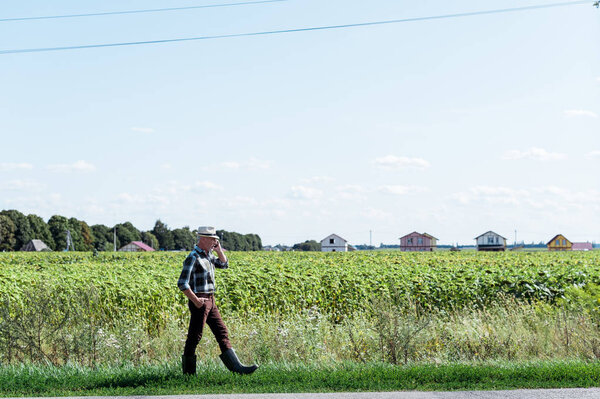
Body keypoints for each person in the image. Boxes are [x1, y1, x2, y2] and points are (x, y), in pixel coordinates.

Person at [177, 226, 258, 375]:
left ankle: (237, 368)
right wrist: (195, 301)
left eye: (216, 239)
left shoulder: (208, 255)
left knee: (222, 332)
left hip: (211, 300)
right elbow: (182, 283)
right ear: (203, 239)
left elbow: (224, 264)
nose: (215, 241)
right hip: (200, 301)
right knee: (195, 336)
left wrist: (219, 251)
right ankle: (188, 374)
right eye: (212, 239)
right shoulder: (193, 257)